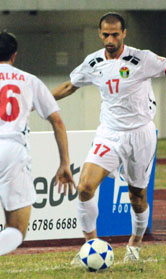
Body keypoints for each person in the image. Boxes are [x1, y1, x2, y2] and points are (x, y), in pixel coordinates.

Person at [52, 12, 166, 263]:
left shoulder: (142, 58)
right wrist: (38, 100)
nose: (110, 39)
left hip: (140, 134)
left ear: (124, 34)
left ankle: (135, 244)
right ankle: (90, 246)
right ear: (100, 34)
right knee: (85, 188)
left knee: (137, 197)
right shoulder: (93, 62)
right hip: (108, 133)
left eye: (115, 34)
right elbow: (69, 86)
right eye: (106, 34)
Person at [0, 31, 75, 256]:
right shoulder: (29, 80)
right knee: (17, 231)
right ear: (14, 55)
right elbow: (57, 121)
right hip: (13, 151)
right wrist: (65, 163)